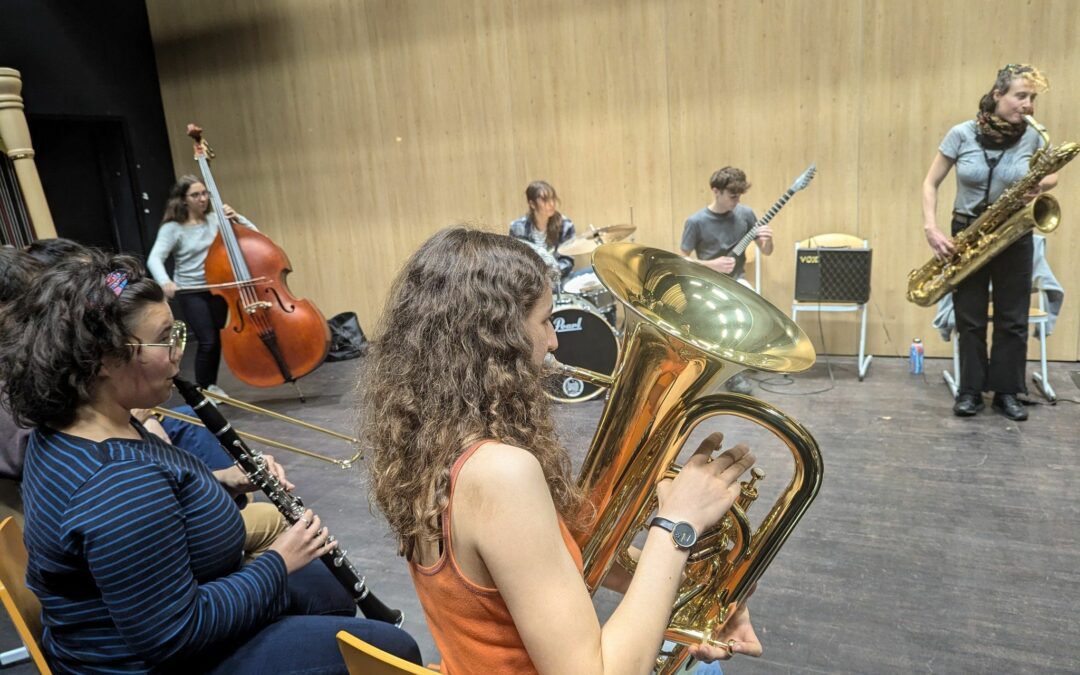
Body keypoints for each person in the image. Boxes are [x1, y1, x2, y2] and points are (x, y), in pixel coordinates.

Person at [361, 227, 761, 674]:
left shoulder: (427, 441)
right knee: (704, 670)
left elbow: (550, 561)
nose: (553, 342)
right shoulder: (499, 474)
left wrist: (701, 594)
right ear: (499, 338)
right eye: (546, 320)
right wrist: (678, 524)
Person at [0, 250, 420, 673]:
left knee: (327, 590)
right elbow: (174, 635)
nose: (178, 351)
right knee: (392, 650)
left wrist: (222, 481)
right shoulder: (115, 484)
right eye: (165, 338)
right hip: (152, 662)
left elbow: (152, 517)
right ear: (107, 359)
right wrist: (278, 560)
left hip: (147, 615)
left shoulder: (78, 425)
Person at [922, 64, 1056, 421]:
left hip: (1014, 232)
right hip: (967, 232)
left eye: (1032, 98)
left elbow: (1052, 172)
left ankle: (1007, 392)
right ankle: (970, 391)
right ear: (998, 95)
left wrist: (1038, 186)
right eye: (1020, 96)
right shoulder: (962, 134)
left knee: (1013, 319)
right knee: (970, 317)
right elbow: (930, 183)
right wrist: (932, 228)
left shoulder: (1033, 135)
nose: (1027, 105)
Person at [147, 175, 257, 395]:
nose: (202, 198)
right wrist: (165, 281)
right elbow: (154, 258)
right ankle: (202, 389)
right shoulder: (173, 228)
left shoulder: (216, 220)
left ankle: (210, 385)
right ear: (184, 200)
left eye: (204, 193)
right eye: (195, 195)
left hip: (219, 289)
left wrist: (238, 218)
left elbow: (254, 236)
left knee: (216, 338)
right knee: (207, 340)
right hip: (192, 291)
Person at [681, 167, 773, 395]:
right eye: (732, 195)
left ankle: (739, 361)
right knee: (728, 317)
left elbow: (767, 251)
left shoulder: (746, 214)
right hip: (707, 283)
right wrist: (712, 264)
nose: (737, 200)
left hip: (736, 280)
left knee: (759, 313)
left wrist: (767, 240)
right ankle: (732, 375)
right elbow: (682, 259)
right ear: (716, 191)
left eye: (739, 196)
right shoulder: (696, 221)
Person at [509, 180, 577, 280]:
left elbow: (567, 261)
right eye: (545, 200)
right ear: (532, 204)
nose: (552, 204)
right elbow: (516, 260)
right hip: (532, 283)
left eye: (553, 199)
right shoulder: (517, 228)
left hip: (560, 279)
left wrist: (550, 275)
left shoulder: (566, 225)